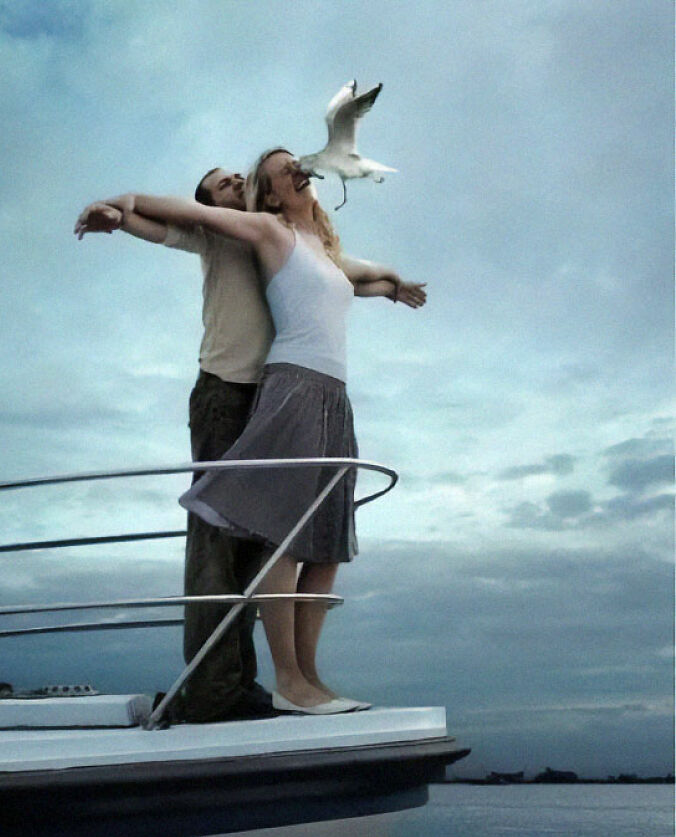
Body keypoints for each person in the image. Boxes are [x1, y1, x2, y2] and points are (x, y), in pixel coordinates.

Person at [75, 161, 426, 719]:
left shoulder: (290, 238)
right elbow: (155, 220)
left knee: (270, 541)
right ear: (210, 202)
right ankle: (219, 687)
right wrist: (117, 212)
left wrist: (392, 285)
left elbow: (349, 271)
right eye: (223, 184)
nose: (236, 184)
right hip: (227, 392)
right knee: (221, 540)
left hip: (274, 394)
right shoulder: (216, 232)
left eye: (239, 178)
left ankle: (264, 681)